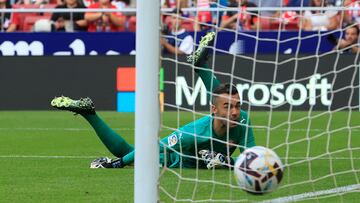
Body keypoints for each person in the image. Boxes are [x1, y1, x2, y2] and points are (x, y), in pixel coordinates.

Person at [51, 32, 256, 169]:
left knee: (131, 151)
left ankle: (201, 66)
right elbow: (155, 146)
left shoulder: (243, 120)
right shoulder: (191, 132)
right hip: (170, 159)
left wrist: (227, 160)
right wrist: (117, 164)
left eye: (238, 105)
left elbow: (251, 161)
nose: (236, 112)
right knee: (130, 153)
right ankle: (90, 115)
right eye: (230, 107)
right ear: (213, 110)